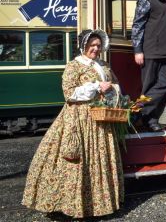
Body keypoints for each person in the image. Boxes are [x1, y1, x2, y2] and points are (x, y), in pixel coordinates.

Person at [22, 29, 124, 218]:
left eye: (98, 45)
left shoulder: (103, 64)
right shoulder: (74, 66)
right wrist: (95, 87)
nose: (95, 48)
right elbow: (69, 93)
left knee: (98, 159)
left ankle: (98, 205)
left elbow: (115, 85)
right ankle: (66, 205)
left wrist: (118, 95)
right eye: (92, 45)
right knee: (74, 158)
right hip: (79, 117)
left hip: (101, 119)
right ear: (83, 45)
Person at [131, 0, 166, 132]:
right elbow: (137, 26)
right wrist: (137, 50)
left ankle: (137, 110)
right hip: (150, 52)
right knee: (149, 86)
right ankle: (151, 120)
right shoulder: (146, 0)